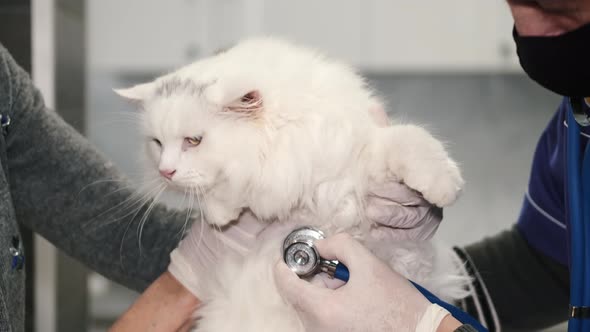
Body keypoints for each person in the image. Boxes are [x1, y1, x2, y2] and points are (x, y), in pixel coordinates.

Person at [0, 38, 440, 331]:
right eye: (158, 145)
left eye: (191, 141)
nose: (166, 169)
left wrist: (215, 245)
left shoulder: (7, 92)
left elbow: (94, 211)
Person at [271, 1, 590, 331]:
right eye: (513, 4)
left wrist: (419, 323)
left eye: (558, 11)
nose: (530, 31)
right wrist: (405, 271)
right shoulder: (577, 122)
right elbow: (547, 267)